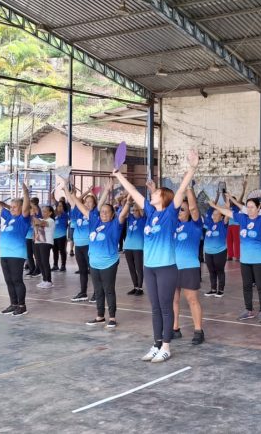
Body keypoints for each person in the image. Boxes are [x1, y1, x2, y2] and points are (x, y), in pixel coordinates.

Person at [114, 150, 198, 363]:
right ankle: (156, 343)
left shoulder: (169, 214)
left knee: (166, 306)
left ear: (164, 198)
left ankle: (167, 346)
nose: (151, 194)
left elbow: (180, 190)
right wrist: (119, 175)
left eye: (156, 193)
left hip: (167, 267)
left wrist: (192, 168)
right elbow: (132, 191)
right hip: (149, 267)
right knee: (155, 308)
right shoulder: (150, 214)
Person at [64, 178, 127, 329]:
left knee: (109, 290)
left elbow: (123, 214)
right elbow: (80, 206)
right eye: (102, 212)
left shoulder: (115, 225)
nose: (104, 213)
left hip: (109, 263)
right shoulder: (94, 221)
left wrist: (127, 203)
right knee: (98, 290)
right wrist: (72, 195)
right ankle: (100, 316)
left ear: (112, 215)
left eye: (107, 212)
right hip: (94, 262)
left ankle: (111, 317)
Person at [214, 190, 261, 324]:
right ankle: (248, 310)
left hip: (258, 259)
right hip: (245, 259)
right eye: (248, 207)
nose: (250, 209)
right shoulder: (242, 218)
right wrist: (215, 206)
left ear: (259, 208)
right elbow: (228, 212)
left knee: (260, 285)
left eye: (253, 207)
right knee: (246, 285)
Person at [0, 182, 32, 316]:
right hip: (4, 253)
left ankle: (22, 306)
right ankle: (13, 304)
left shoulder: (24, 219)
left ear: (21, 208)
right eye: (12, 206)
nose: (12, 208)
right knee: (9, 280)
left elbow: (27, 207)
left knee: (17, 280)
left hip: (17, 254)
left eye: (15, 207)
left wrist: (26, 193)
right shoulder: (9, 217)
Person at [172, 187, 205, 345]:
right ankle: (175, 328)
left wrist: (189, 190)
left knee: (192, 299)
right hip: (172, 267)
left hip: (189, 267)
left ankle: (198, 330)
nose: (179, 212)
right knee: (173, 299)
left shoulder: (195, 225)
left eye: (182, 210)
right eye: (179, 209)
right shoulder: (173, 225)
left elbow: (193, 207)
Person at [67, 187, 109, 303]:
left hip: (89, 246)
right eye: (86, 202)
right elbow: (73, 201)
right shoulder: (79, 213)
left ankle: (97, 293)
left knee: (93, 271)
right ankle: (83, 292)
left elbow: (100, 202)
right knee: (82, 270)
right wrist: (69, 191)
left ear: (94, 204)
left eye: (91, 202)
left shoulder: (95, 213)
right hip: (78, 246)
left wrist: (106, 191)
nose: (88, 204)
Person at [204, 197, 230, 297]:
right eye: (213, 214)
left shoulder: (223, 224)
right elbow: (207, 212)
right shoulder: (209, 223)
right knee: (211, 271)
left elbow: (227, 215)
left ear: (221, 216)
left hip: (220, 251)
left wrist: (227, 207)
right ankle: (213, 289)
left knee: (220, 270)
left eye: (216, 214)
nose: (214, 216)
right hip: (208, 252)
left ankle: (221, 290)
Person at [123, 199, 145, 296]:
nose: (134, 212)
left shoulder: (143, 219)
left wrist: (139, 206)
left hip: (138, 247)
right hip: (128, 246)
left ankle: (140, 288)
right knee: (131, 268)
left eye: (136, 210)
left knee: (138, 268)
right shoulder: (131, 218)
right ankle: (135, 286)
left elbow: (143, 212)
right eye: (133, 210)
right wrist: (127, 201)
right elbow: (125, 209)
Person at [32, 205, 55, 288]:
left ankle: (49, 281)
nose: (43, 213)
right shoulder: (40, 219)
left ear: (50, 213)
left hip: (46, 243)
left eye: (45, 211)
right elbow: (35, 224)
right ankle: (44, 279)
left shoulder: (51, 220)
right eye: (42, 211)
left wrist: (33, 215)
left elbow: (41, 223)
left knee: (45, 261)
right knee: (39, 261)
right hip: (38, 242)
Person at [52, 199, 69, 272]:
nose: (59, 207)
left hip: (62, 236)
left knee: (62, 251)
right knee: (54, 251)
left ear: (64, 207)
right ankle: (55, 265)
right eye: (58, 206)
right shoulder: (54, 215)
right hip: (54, 236)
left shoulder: (65, 215)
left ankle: (63, 265)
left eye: (61, 206)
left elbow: (65, 224)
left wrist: (59, 215)